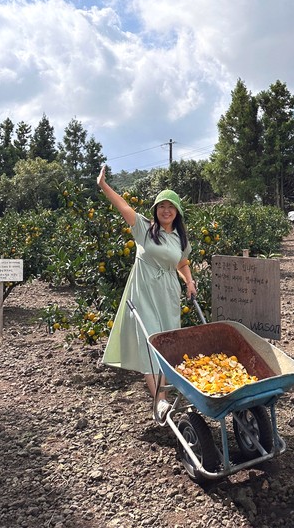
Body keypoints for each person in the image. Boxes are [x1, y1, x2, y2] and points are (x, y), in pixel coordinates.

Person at [97, 165, 196, 416]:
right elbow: (124, 208)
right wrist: (104, 185)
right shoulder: (144, 229)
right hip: (144, 292)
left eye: (170, 207)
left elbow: (182, 263)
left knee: (167, 342)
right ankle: (159, 401)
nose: (166, 210)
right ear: (156, 210)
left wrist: (189, 281)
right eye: (162, 206)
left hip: (168, 293)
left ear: (177, 212)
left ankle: (166, 393)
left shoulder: (180, 239)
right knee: (150, 341)